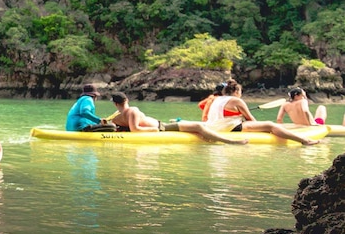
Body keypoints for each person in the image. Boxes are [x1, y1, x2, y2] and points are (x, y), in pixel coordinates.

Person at [206, 80, 320, 145]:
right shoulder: (236, 100)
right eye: (240, 91)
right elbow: (250, 119)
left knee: (266, 126)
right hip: (229, 128)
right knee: (270, 125)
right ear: (236, 91)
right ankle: (304, 140)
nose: (241, 93)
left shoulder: (217, 99)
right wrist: (263, 129)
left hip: (215, 126)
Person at [110, 93, 248, 144]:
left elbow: (123, 126)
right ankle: (229, 141)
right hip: (160, 128)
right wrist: (154, 130)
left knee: (191, 125)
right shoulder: (132, 110)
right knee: (199, 126)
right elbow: (135, 129)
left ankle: (208, 137)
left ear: (115, 104)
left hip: (161, 126)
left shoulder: (116, 117)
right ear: (126, 99)